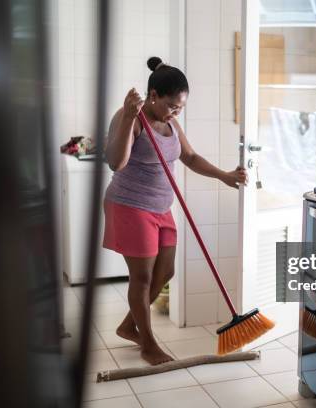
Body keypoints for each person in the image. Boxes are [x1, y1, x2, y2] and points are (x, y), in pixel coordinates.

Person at [103, 56, 247, 365]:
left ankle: (129, 326)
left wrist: (224, 175)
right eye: (172, 106)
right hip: (130, 206)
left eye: (181, 107)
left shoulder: (171, 121)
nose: (176, 111)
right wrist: (129, 118)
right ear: (153, 96)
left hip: (160, 208)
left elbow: (190, 157)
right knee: (141, 278)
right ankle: (148, 343)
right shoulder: (131, 118)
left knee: (165, 271)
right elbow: (116, 161)